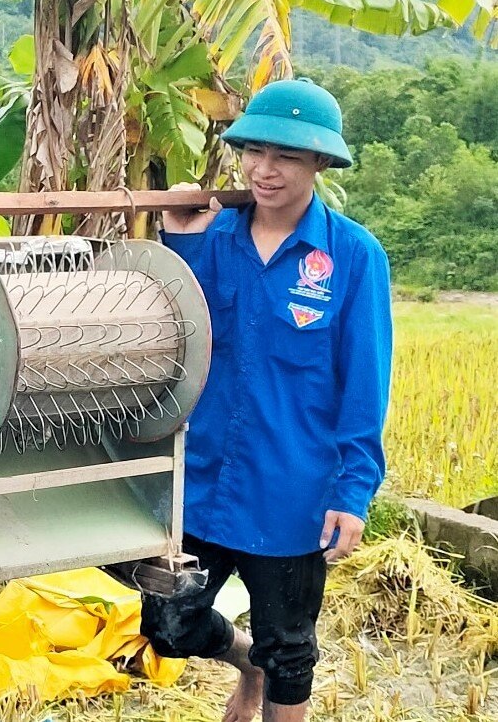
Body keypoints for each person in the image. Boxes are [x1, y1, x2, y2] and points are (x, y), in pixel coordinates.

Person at [144, 78, 392, 722]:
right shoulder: (209, 239)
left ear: (319, 163)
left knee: (291, 653)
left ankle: (268, 674)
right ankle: (243, 660)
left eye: (286, 155)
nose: (264, 169)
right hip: (201, 480)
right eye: (254, 151)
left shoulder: (352, 258)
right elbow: (176, 338)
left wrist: (352, 490)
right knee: (168, 626)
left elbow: (365, 383)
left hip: (294, 489)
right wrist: (182, 241)